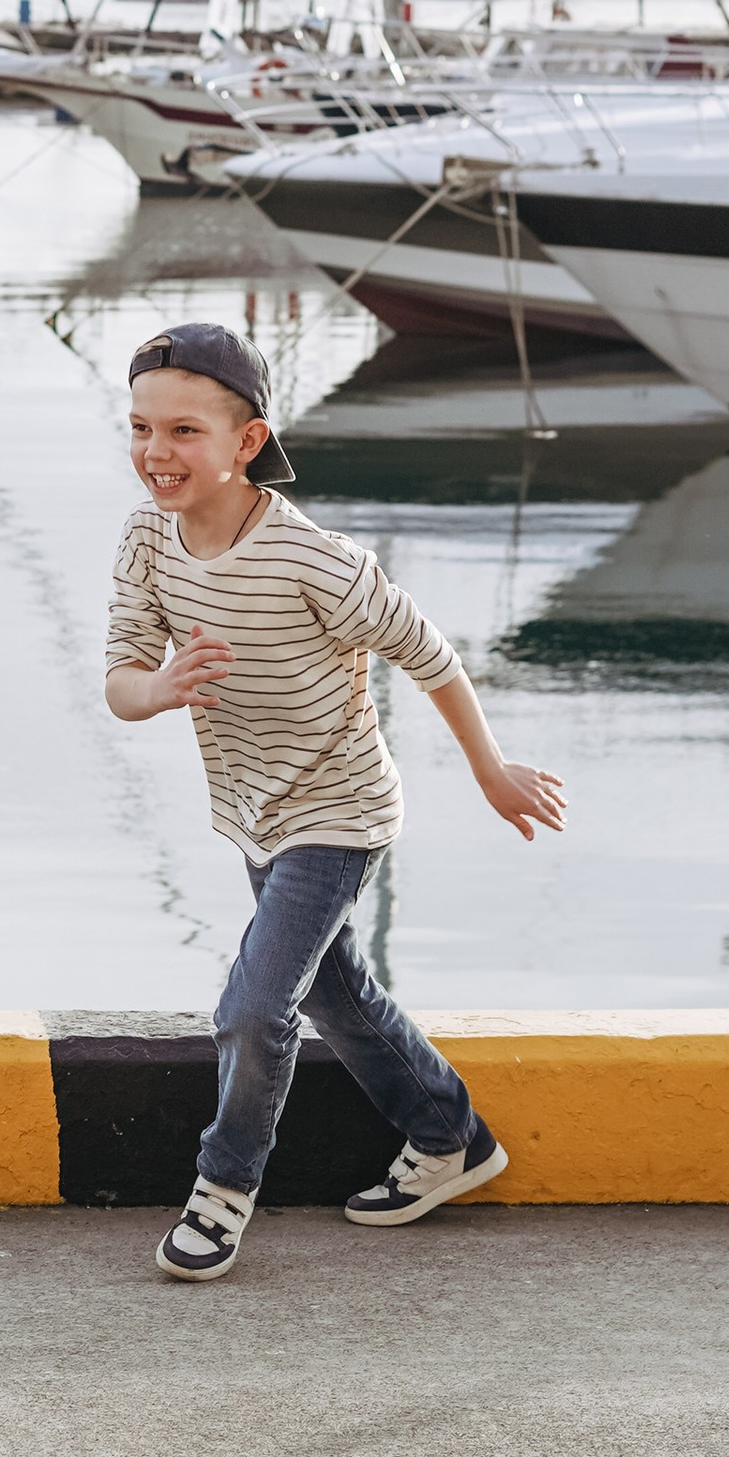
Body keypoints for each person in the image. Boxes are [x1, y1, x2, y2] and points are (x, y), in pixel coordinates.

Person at [104, 320, 565, 1281]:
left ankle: (222, 1191)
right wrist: (164, 683)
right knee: (335, 990)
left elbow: (430, 654)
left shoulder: (316, 561)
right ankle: (452, 1139)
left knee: (255, 1004)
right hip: (251, 810)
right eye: (141, 427)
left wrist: (490, 771)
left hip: (339, 811)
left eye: (184, 431)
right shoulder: (147, 538)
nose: (156, 452)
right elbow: (120, 678)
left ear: (248, 441)